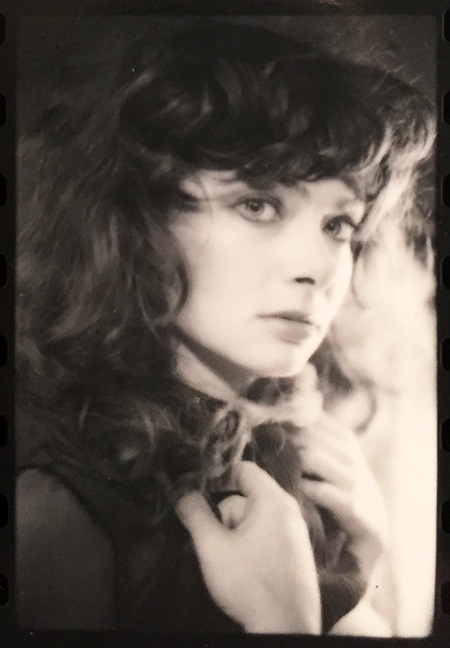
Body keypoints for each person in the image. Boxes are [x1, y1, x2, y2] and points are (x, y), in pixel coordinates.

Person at [15, 18, 435, 634]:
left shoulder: (296, 451)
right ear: (140, 223)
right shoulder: (57, 508)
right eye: (256, 204)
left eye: (338, 225)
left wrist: (364, 561)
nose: (318, 267)